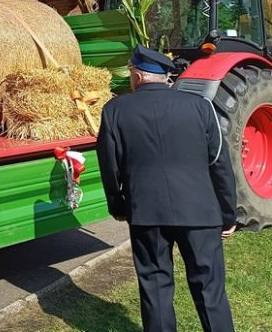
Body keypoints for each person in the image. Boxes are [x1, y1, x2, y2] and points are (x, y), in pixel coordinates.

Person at [96, 45, 237, 332]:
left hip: (147, 215)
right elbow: (219, 163)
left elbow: (109, 167)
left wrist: (119, 206)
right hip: (200, 213)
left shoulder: (114, 111)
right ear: (164, 77)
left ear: (137, 75)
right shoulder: (200, 106)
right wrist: (228, 214)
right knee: (210, 290)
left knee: (156, 289)